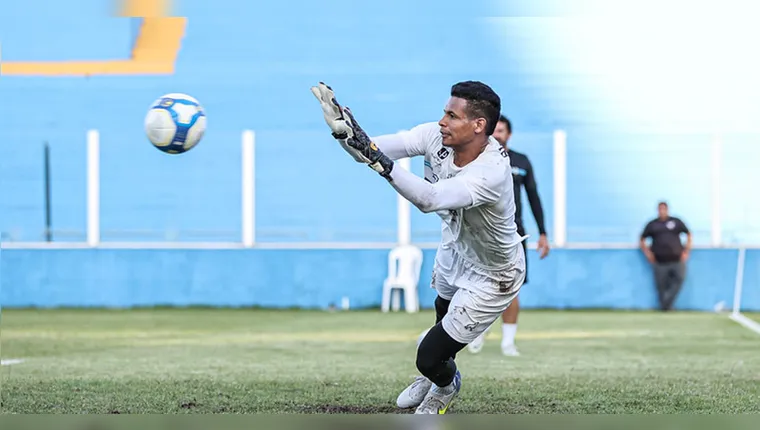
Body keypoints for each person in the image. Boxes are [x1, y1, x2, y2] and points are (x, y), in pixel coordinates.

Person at [311, 81, 527, 414]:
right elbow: (373, 149)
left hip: (493, 272)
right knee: (441, 319)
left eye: (452, 116)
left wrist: (377, 161)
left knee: (427, 356)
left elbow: (430, 199)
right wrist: (345, 132)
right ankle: (437, 375)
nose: (442, 121)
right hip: (456, 251)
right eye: (444, 112)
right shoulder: (435, 136)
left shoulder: (493, 171)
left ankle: (444, 383)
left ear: (479, 125)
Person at [467, 115, 550, 356]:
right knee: (478, 285)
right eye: (495, 131)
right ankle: (477, 332)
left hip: (514, 234)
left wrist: (543, 233)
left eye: (502, 130)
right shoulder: (477, 160)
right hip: (481, 232)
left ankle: (508, 342)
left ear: (509, 134)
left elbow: (534, 197)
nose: (498, 134)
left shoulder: (521, 162)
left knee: (511, 288)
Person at [640, 201, 692, 311]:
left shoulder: (676, 222)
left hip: (676, 259)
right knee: (661, 285)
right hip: (659, 261)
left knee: (679, 279)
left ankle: (667, 304)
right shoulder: (653, 224)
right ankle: (665, 308)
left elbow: (688, 234)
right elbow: (642, 238)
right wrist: (648, 253)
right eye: (660, 209)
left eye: (664, 209)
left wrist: (686, 251)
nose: (662, 211)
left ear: (667, 210)